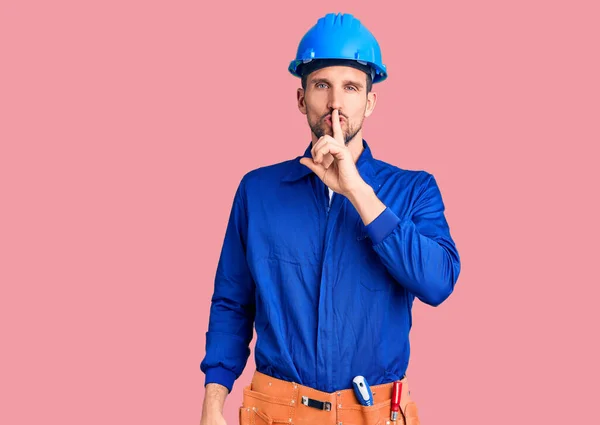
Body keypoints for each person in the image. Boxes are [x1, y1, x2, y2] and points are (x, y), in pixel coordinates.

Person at [199, 12, 461, 425]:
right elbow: (232, 303)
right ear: (302, 99)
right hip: (275, 414)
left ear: (370, 102)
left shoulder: (415, 191)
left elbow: (438, 283)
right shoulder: (258, 191)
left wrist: (357, 190)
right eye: (322, 85)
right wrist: (213, 404)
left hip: (376, 415)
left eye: (351, 87)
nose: (336, 103)